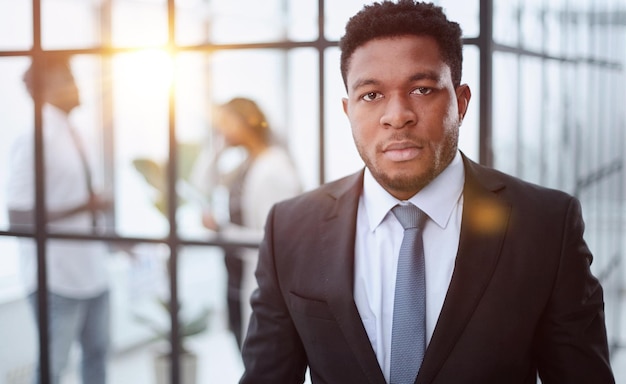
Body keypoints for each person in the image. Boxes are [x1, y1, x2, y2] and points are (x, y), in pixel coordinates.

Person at [239, 1, 615, 383]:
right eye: (371, 95)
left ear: (461, 101)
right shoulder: (290, 228)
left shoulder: (545, 225)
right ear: (348, 109)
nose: (397, 115)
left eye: (421, 89)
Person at [6, 56, 112, 384]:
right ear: (43, 90)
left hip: (94, 272)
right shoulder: (35, 139)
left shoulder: (77, 134)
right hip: (57, 279)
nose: (76, 86)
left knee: (97, 359)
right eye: (66, 79)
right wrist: (85, 206)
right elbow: (18, 217)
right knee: (53, 368)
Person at [189, 97, 302, 350]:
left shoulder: (273, 169)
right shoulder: (248, 163)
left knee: (259, 358)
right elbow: (201, 183)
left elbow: (272, 240)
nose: (221, 129)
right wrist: (219, 146)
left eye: (226, 123)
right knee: (246, 352)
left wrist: (221, 230)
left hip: (260, 279)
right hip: (238, 275)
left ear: (246, 121)